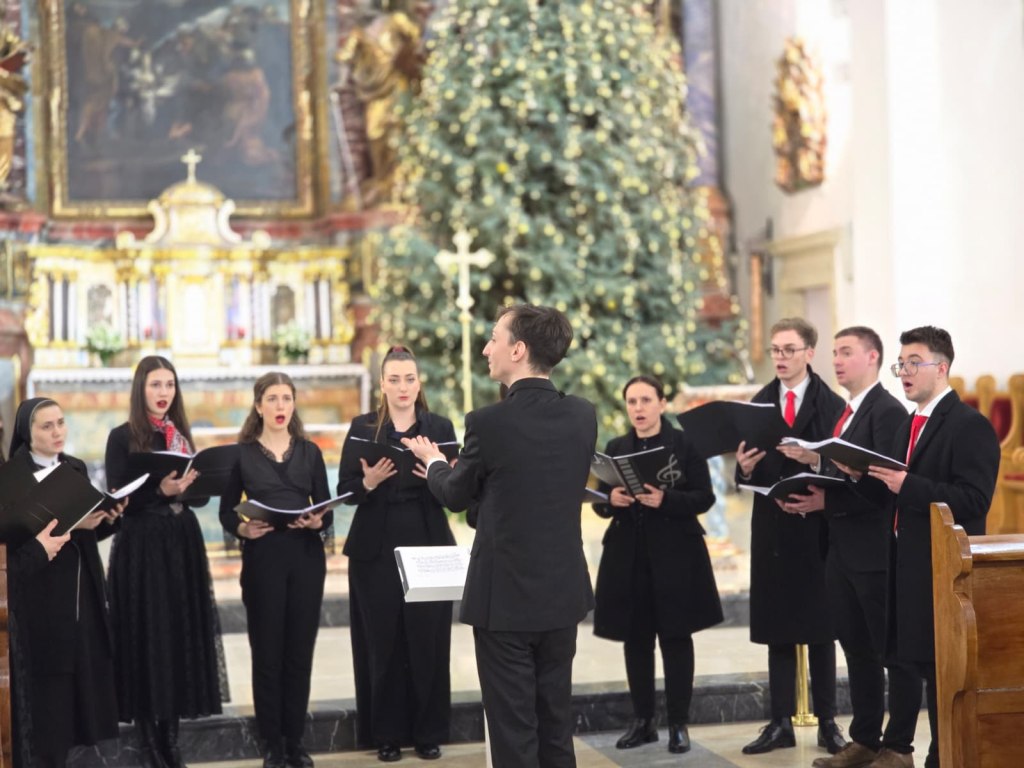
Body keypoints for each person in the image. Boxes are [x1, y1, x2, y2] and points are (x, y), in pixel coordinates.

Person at [404, 304, 597, 768]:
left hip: (505, 600)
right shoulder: (582, 415)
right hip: (562, 593)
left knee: (513, 735)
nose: (486, 348)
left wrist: (434, 463)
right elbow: (531, 492)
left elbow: (455, 496)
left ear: (518, 349)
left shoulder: (488, 423)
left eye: (494, 338)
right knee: (555, 727)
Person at [862, 326, 999, 768]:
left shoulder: (970, 425)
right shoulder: (908, 424)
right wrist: (859, 474)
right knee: (907, 662)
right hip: (905, 564)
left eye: (913, 362)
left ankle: (945, 758)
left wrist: (908, 485)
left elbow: (974, 500)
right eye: (900, 363)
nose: (903, 371)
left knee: (944, 673)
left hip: (943, 570)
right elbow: (894, 492)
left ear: (941, 368)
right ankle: (903, 748)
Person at [776, 327, 910, 768]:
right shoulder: (848, 412)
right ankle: (865, 740)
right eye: (834, 353)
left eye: (846, 352)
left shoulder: (886, 411)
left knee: (890, 653)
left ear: (872, 357)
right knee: (856, 648)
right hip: (841, 549)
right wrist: (814, 461)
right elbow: (846, 469)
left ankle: (899, 746)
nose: (836, 361)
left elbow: (883, 486)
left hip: (873, 551)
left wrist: (825, 501)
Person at [105, 355, 227, 768]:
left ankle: (170, 739)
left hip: (180, 544)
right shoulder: (122, 437)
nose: (163, 393)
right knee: (147, 636)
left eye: (170, 385)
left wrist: (193, 486)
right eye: (156, 384)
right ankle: (149, 743)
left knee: (177, 636)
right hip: (143, 547)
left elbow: (197, 497)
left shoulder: (180, 436)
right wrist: (161, 490)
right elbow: (119, 497)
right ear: (140, 388)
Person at [337, 345, 456, 763]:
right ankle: (385, 735)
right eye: (394, 379)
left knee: (428, 641)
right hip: (375, 544)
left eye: (409, 379)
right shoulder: (363, 427)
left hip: (428, 539)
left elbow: (459, 493)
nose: (403, 387)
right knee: (381, 641)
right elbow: (345, 491)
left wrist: (440, 473)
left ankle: (428, 733)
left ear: (419, 384)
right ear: (382, 386)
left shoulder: (439, 426)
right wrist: (367, 482)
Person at [592, 375, 723, 755]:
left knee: (676, 639)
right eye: (632, 402)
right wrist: (611, 500)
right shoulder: (616, 447)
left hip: (676, 557)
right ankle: (643, 721)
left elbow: (705, 497)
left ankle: (678, 724)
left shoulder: (684, 444)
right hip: (629, 556)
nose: (638, 408)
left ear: (662, 404)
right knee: (636, 640)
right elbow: (600, 499)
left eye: (646, 400)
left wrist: (666, 500)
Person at [735, 317, 848, 756]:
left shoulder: (832, 404)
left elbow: (846, 466)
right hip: (774, 529)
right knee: (777, 626)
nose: (780, 358)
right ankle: (779, 722)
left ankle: (828, 724)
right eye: (776, 350)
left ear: (809, 353)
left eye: (788, 350)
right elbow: (747, 467)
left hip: (817, 527)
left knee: (821, 629)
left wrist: (814, 462)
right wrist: (744, 470)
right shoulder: (758, 403)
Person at [219, 372, 331, 768]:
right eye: (272, 398)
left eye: (286, 398)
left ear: (293, 404)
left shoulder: (310, 452)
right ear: (258, 406)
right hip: (264, 559)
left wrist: (317, 522)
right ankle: (272, 745)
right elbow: (226, 511)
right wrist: (243, 528)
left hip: (305, 559)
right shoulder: (242, 454)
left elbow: (326, 509)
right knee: (267, 654)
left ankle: (294, 742)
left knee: (299, 653)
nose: (280, 405)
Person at [5, 397, 122, 768]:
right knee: (47, 711)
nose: (58, 432)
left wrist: (106, 519)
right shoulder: (12, 477)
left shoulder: (74, 467)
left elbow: (81, 534)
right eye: (47, 426)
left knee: (76, 704)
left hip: (78, 598)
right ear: (27, 433)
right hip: (38, 601)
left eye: (61, 422)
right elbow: (12, 545)